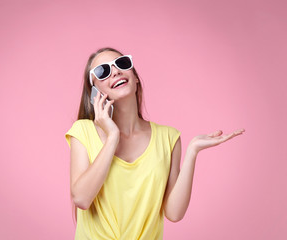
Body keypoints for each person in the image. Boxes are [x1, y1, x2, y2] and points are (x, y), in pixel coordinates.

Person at [65, 47, 245, 239]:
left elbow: (174, 213)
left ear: (135, 78)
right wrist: (112, 137)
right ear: (94, 91)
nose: (115, 71)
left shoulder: (168, 138)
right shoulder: (83, 131)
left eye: (122, 63)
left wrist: (192, 152)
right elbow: (82, 199)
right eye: (103, 71)